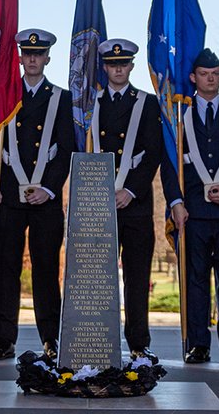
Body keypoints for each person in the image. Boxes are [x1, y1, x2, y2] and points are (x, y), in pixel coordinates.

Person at [158, 48, 219, 364]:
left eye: (215, 73)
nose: (210, 78)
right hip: (193, 212)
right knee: (196, 280)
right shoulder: (177, 116)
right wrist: (175, 202)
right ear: (193, 77)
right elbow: (169, 163)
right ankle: (197, 344)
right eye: (204, 73)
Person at [0, 29, 74, 362]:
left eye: (39, 54)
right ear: (19, 58)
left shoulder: (62, 98)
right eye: (27, 54)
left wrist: (49, 188)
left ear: (48, 58)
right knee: (5, 269)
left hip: (44, 199)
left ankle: (51, 339)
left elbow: (66, 150)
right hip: (8, 196)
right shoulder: (4, 95)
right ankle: (3, 340)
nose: (33, 59)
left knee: (46, 269)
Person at [90, 38, 165, 364]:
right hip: (97, 206)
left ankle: (138, 342)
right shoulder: (89, 105)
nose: (118, 69)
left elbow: (152, 153)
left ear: (131, 67)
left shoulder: (148, 104)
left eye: (123, 64)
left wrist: (129, 190)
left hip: (134, 205)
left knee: (137, 277)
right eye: (112, 64)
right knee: (96, 280)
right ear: (104, 67)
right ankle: (94, 340)